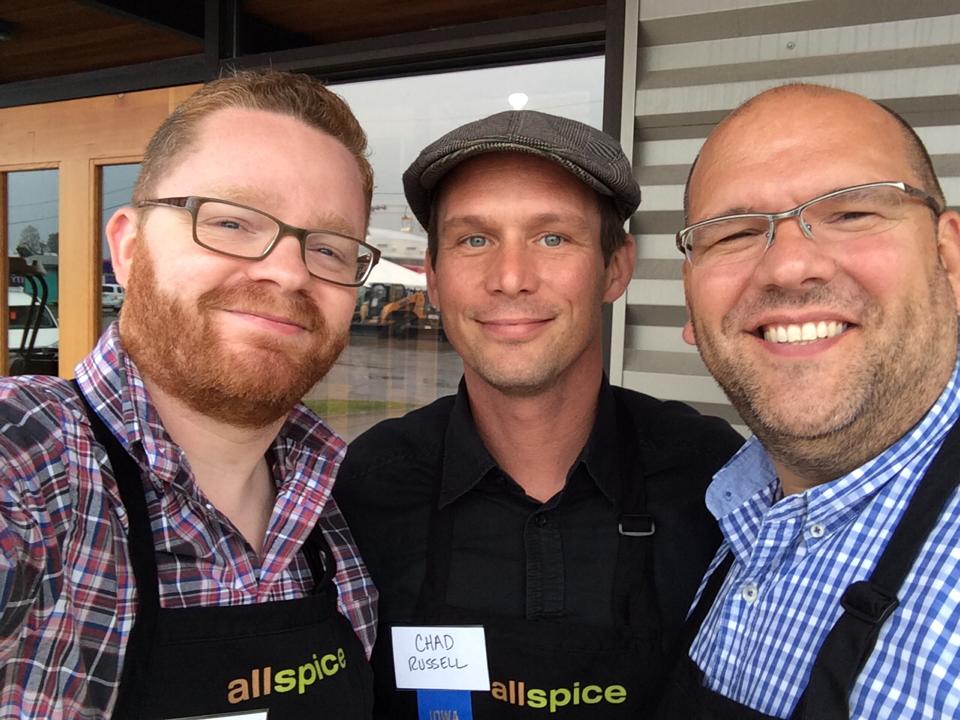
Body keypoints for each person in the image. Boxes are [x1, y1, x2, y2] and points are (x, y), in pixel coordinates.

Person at [334, 110, 743, 718]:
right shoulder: (365, 485)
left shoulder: (717, 483)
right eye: (475, 239)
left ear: (615, 268)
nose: (510, 278)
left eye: (553, 237)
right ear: (435, 279)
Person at [0, 71, 381, 718]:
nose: (288, 271)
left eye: (331, 248)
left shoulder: (339, 522)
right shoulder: (31, 463)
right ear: (127, 246)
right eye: (231, 221)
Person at [657, 83, 960, 719]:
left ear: (950, 258)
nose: (789, 267)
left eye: (851, 213)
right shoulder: (734, 506)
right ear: (692, 302)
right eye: (736, 233)